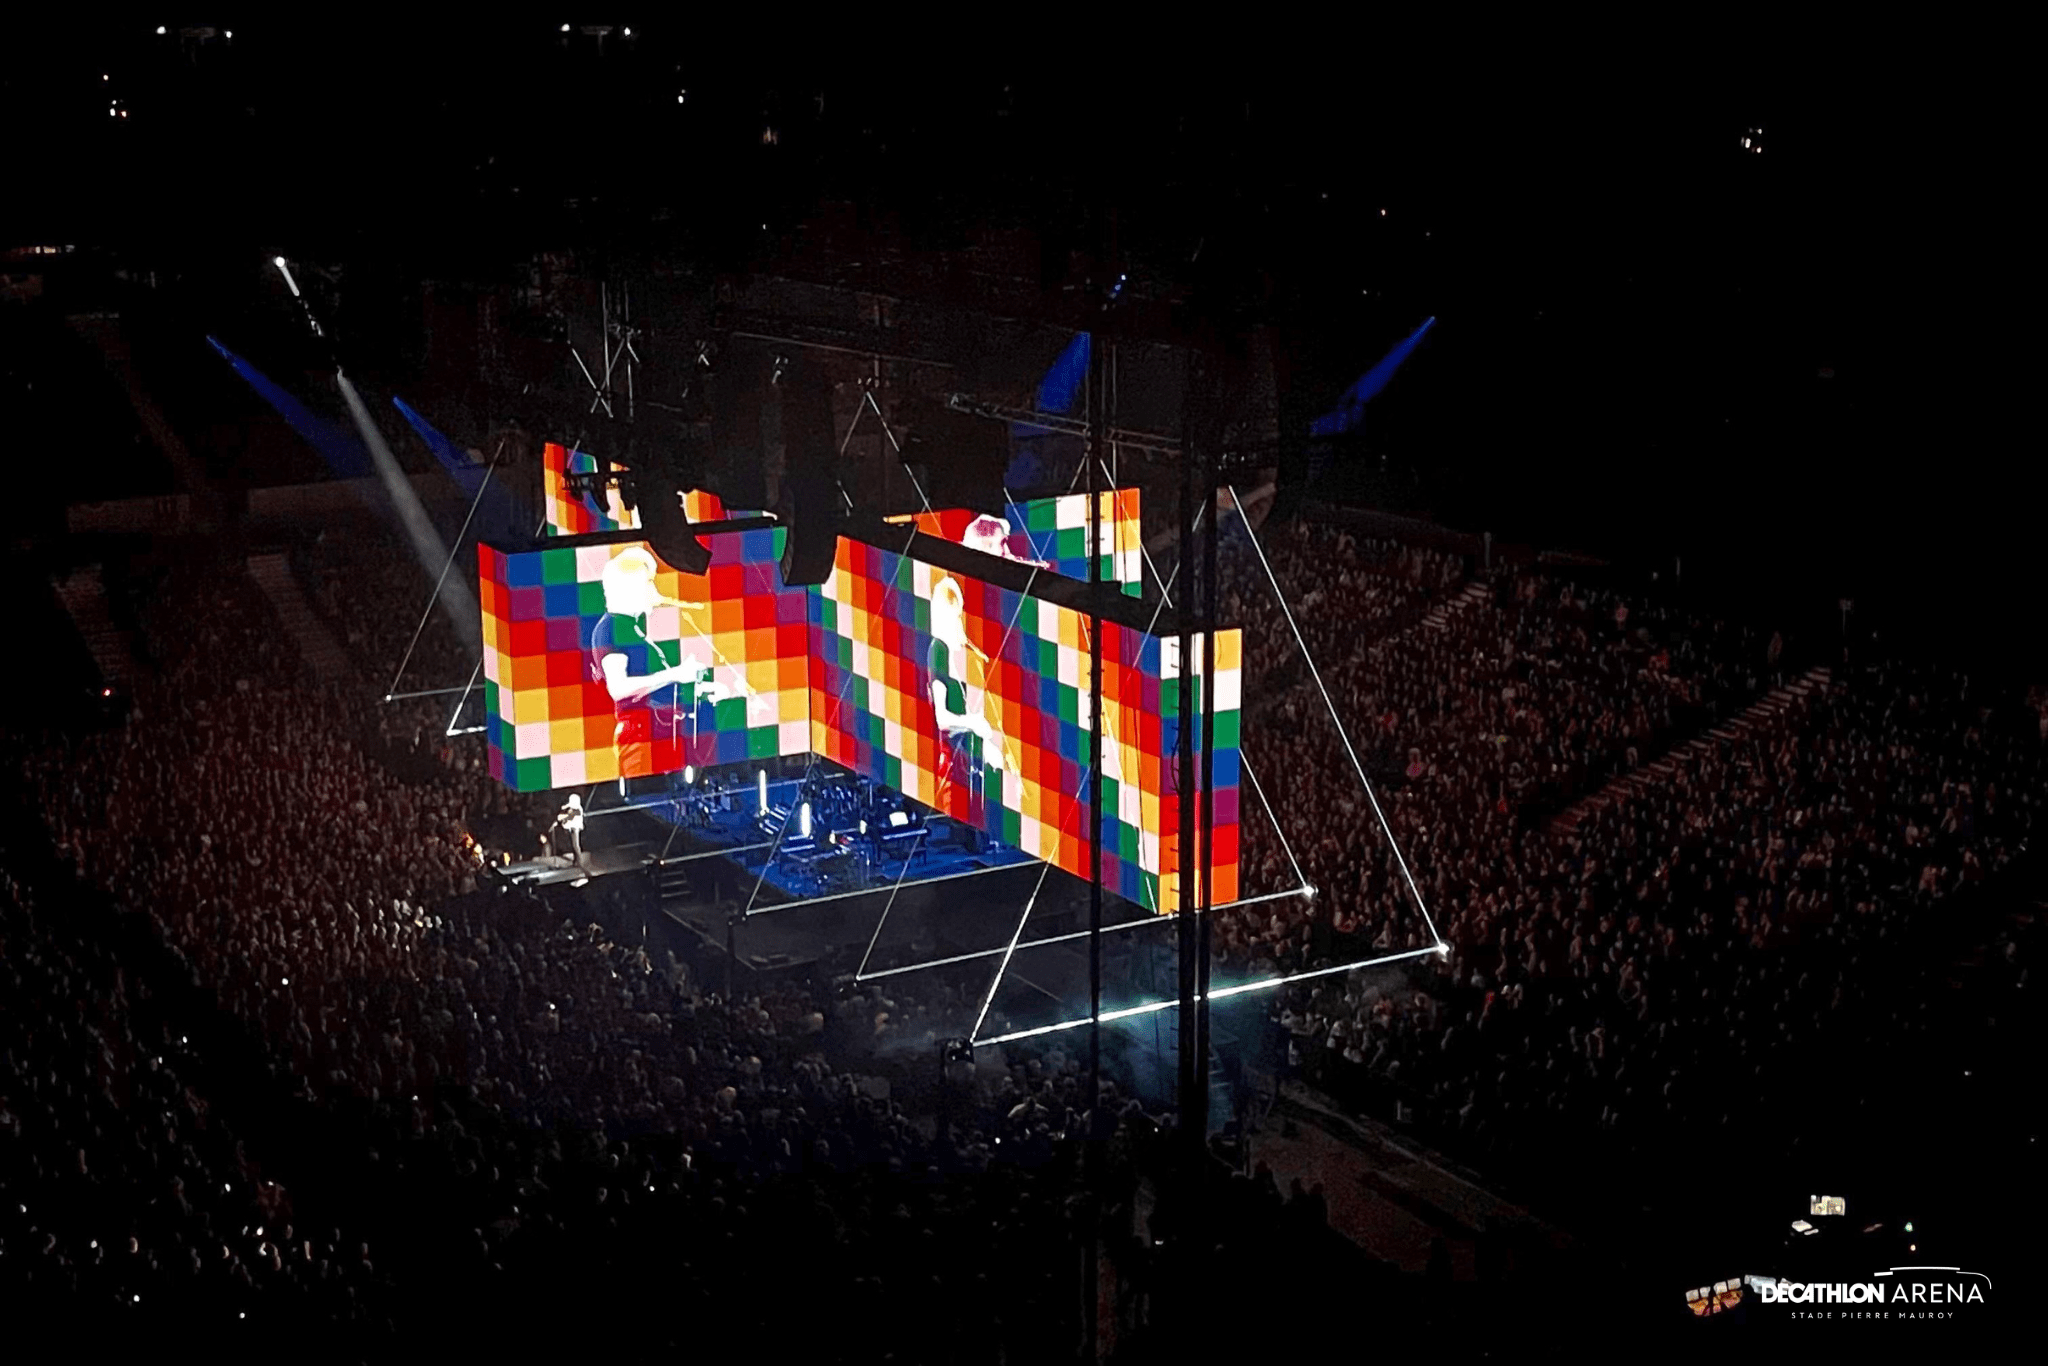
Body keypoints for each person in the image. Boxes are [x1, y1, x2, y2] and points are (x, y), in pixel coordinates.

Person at [589, 547, 714, 791]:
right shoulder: (610, 628)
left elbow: (660, 687)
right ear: (629, 589)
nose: (654, 590)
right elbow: (619, 689)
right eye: (648, 582)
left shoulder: (632, 628)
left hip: (659, 738)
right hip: (640, 741)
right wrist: (676, 673)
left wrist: (703, 689)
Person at [552, 793, 585, 865]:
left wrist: (562, 817)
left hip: (575, 828)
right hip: (571, 827)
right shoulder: (572, 808)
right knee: (573, 845)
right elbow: (566, 810)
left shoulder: (578, 810)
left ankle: (579, 861)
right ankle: (575, 860)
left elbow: (570, 816)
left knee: (576, 845)